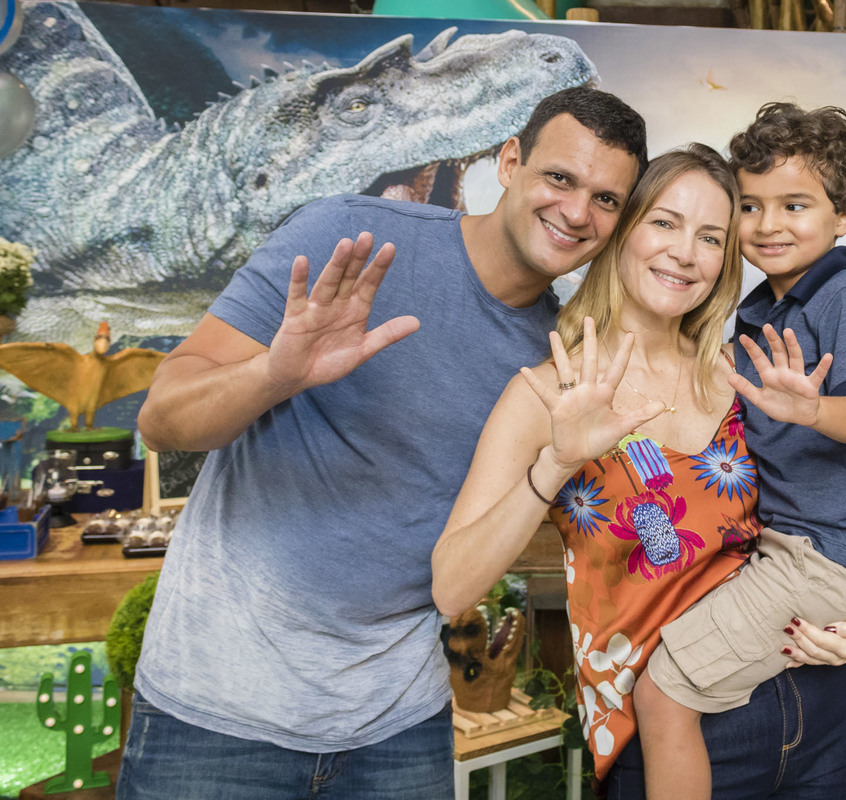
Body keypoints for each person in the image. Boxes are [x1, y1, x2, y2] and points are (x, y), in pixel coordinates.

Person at [122, 86, 648, 800]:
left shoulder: (556, 365)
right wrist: (274, 374)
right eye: (560, 177)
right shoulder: (348, 238)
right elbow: (162, 419)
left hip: (396, 730)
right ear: (510, 160)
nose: (578, 212)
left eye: (607, 199)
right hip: (216, 714)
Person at [432, 144, 846, 798]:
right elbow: (451, 587)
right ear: (624, 228)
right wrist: (557, 461)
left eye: (711, 237)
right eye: (665, 223)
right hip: (676, 735)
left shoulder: (748, 378)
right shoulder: (546, 393)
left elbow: (838, 520)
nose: (685, 252)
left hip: (821, 709)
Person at [632, 102, 846, 800]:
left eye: (794, 205)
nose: (767, 226)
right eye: (751, 206)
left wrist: (816, 410)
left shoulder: (844, 298)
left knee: (665, 690)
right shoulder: (760, 306)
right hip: (798, 548)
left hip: (825, 555)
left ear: (845, 215)